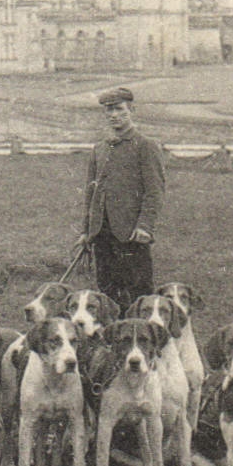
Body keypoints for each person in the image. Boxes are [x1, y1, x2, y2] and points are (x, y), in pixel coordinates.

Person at [79, 86, 165, 311]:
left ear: (131, 110)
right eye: (108, 110)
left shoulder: (145, 146)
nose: (113, 115)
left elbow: (154, 191)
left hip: (132, 234)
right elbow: (92, 193)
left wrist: (145, 226)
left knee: (139, 292)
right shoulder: (100, 148)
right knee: (106, 294)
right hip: (102, 233)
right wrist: (86, 230)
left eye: (119, 109)